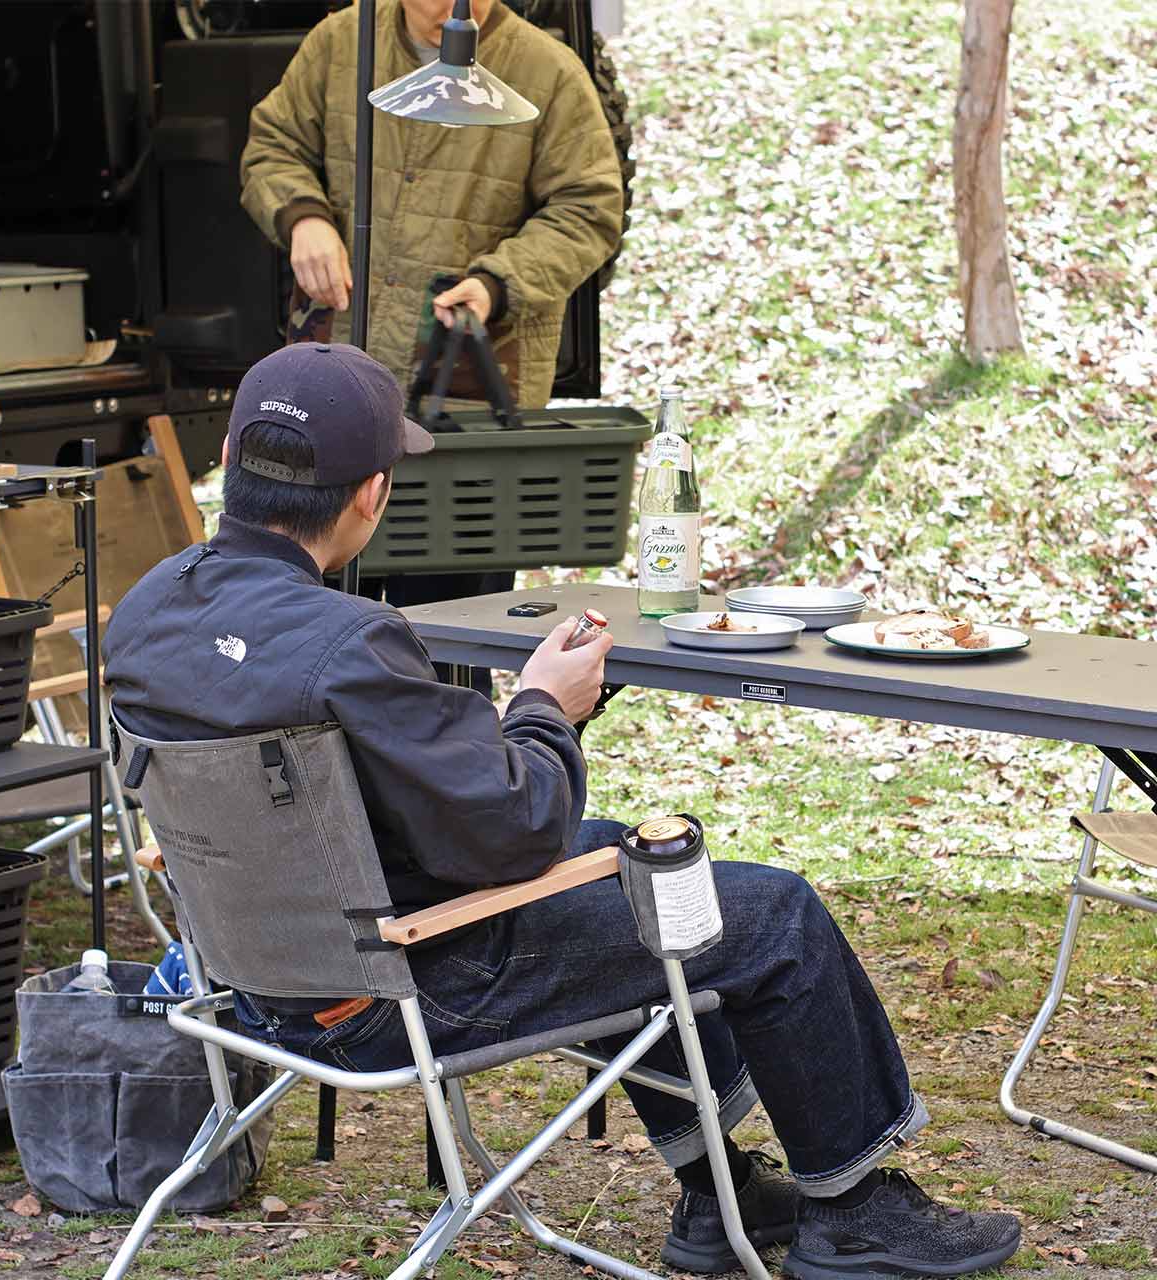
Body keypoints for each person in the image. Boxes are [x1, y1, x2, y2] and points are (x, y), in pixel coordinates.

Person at [103, 343, 1022, 1280]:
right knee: (773, 911)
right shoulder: (351, 643)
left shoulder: (143, 612)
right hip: (401, 986)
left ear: (232, 456)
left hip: (253, 980)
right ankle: (856, 1211)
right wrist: (544, 707)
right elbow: (517, 832)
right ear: (372, 493)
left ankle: (720, 1195)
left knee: (639, 868)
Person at [240, 0, 626, 682]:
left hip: (463, 401)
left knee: (447, 644)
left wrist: (498, 282)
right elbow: (273, 145)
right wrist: (303, 218)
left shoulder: (547, 69)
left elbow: (589, 209)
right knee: (314, 633)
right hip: (338, 383)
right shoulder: (341, 43)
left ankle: (452, 781)